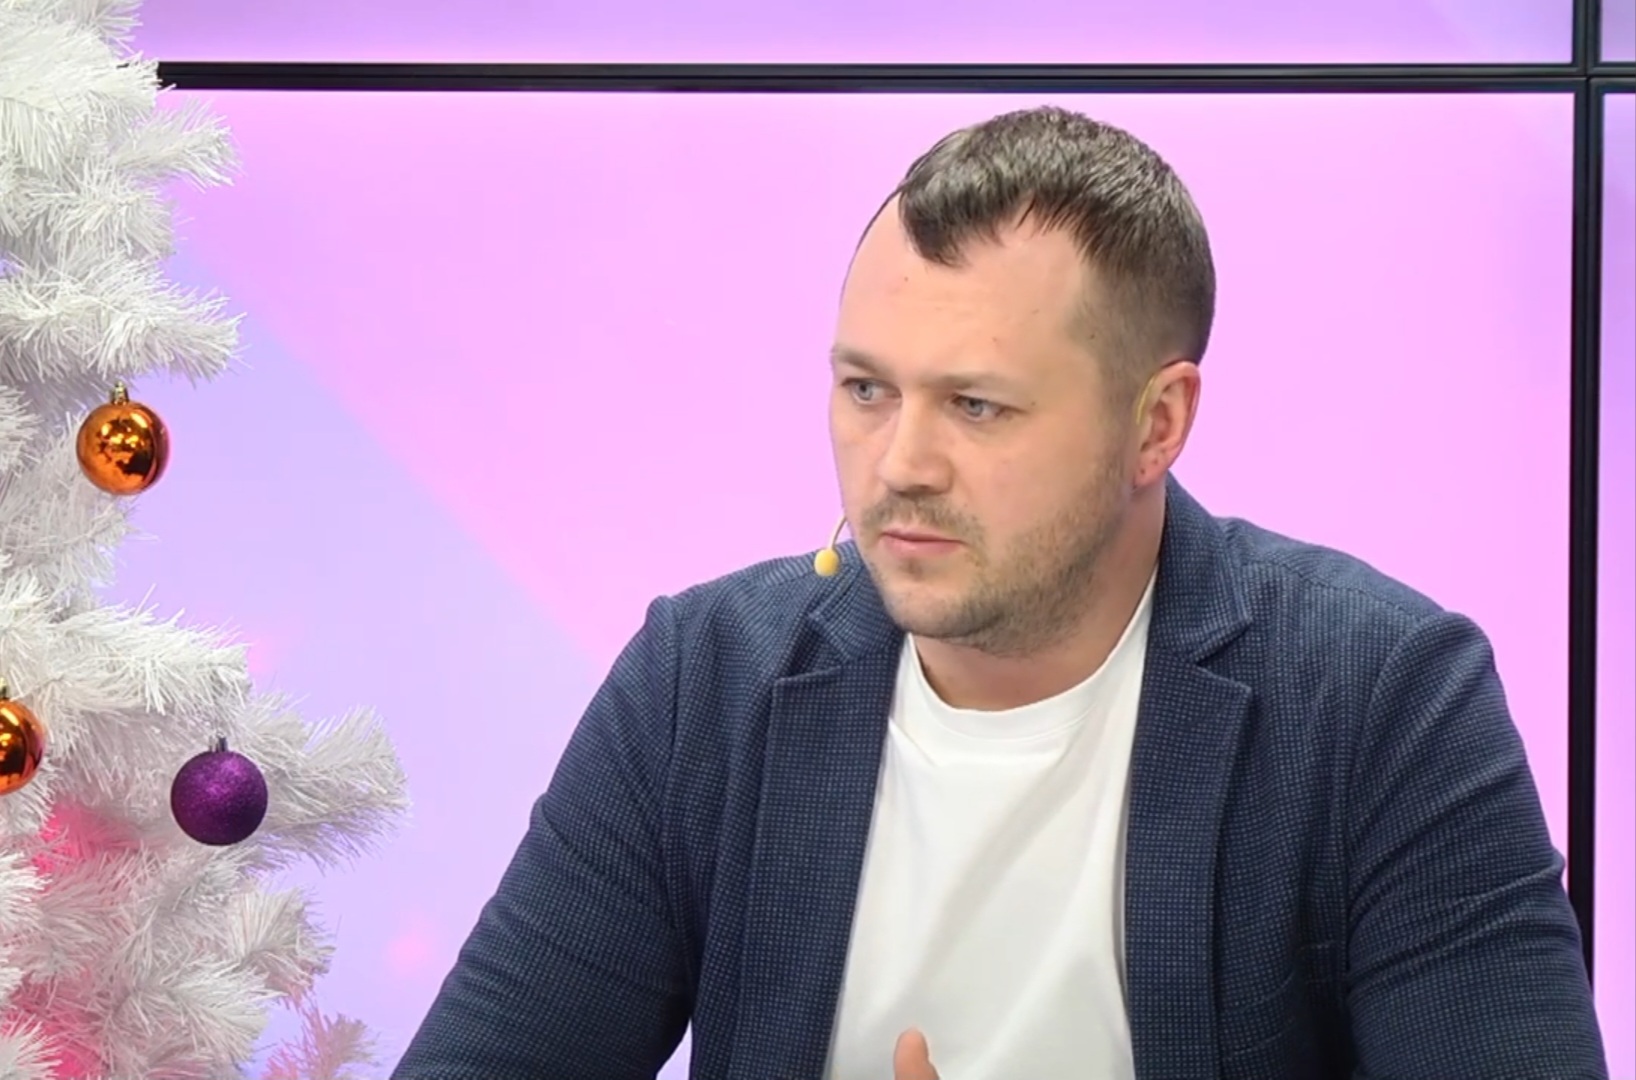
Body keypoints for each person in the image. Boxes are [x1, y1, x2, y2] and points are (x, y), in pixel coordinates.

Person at [390, 106, 1607, 1080]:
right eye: (866, 390)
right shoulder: (703, 680)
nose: (900, 464)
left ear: (1156, 422)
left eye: (975, 405)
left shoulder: (1379, 697)